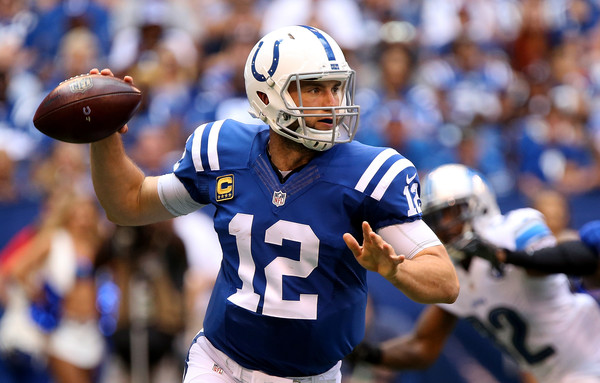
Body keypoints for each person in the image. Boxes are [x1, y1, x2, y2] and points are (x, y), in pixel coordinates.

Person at [85, 25, 459, 382]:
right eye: (313, 89)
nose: (332, 103)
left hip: (310, 377)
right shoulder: (224, 150)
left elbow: (445, 282)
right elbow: (129, 204)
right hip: (218, 364)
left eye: (336, 87)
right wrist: (103, 134)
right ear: (266, 96)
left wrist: (395, 272)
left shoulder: (370, 174)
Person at [349, 164, 600, 383]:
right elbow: (422, 347)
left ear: (479, 204)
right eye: (434, 219)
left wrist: (505, 256)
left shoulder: (513, 228)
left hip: (592, 355)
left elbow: (555, 265)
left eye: (451, 213)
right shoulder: (453, 276)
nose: (443, 227)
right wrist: (367, 354)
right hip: (556, 374)